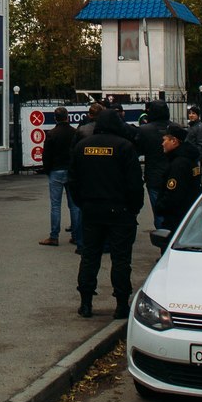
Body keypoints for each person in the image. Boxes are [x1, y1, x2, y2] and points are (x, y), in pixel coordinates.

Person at [68, 108, 144, 319]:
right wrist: (134, 208)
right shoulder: (125, 147)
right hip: (120, 210)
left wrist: (82, 203)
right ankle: (121, 305)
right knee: (121, 259)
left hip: (91, 210)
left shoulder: (83, 146)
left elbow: (72, 180)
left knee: (89, 256)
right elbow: (135, 184)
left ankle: (85, 303)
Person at [39, 107, 81, 251]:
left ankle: (54, 236)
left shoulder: (52, 134)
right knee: (74, 205)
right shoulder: (74, 132)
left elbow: (47, 156)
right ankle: (76, 235)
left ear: (55, 118)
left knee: (55, 205)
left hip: (56, 170)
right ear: (67, 117)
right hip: (71, 170)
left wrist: (48, 170)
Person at [156, 124, 202, 231]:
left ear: (174, 141)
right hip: (188, 214)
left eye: (165, 140)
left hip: (176, 218)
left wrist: (160, 207)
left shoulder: (178, 164)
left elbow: (173, 195)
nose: (163, 143)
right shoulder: (189, 159)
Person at [134, 100, 169, 229]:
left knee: (158, 211)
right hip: (172, 174)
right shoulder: (174, 128)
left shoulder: (145, 130)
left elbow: (137, 150)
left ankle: (162, 237)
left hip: (154, 175)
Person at [184, 105, 202, 177]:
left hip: (195, 159)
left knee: (196, 177)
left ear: (198, 115)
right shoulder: (191, 126)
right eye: (190, 113)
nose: (191, 115)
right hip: (190, 157)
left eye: (193, 113)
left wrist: (197, 159)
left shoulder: (200, 127)